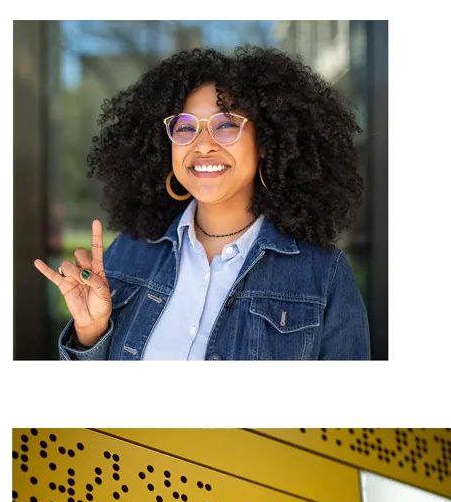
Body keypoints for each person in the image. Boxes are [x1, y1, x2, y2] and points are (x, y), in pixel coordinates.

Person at [33, 46, 370, 361]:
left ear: (266, 141)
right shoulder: (129, 253)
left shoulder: (322, 275)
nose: (203, 145)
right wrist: (90, 335)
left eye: (225, 125)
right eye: (185, 127)